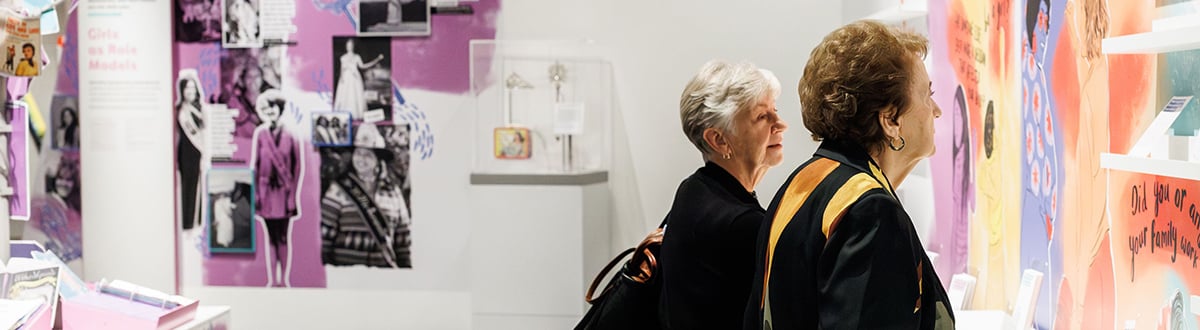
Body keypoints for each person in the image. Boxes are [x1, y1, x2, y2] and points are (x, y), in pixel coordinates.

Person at [744, 20, 953, 329]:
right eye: (926, 94)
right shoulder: (870, 210)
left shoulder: (805, 180)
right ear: (890, 119)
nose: (935, 109)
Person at [656, 60, 788, 330]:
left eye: (775, 111)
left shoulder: (693, 188)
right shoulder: (742, 225)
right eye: (763, 117)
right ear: (718, 140)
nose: (781, 124)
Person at [320, 124, 411, 268]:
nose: (361, 159)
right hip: (346, 275)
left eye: (368, 155)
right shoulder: (338, 189)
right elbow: (323, 237)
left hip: (384, 277)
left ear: (378, 160)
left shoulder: (393, 192)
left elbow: (403, 239)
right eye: (358, 153)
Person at [249, 89, 301, 287]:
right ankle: (273, 281)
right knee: (270, 237)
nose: (269, 111)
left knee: (283, 237)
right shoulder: (260, 133)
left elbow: (297, 167)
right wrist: (255, 193)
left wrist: (293, 195)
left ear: (279, 108)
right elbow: (254, 166)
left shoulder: (291, 133)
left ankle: (284, 280)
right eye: (264, 109)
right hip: (266, 193)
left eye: (271, 107)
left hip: (284, 191)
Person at [176, 74, 206, 230]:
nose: (190, 90)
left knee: (198, 189)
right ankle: (186, 222)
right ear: (182, 90)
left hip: (197, 154)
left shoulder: (201, 109)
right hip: (184, 155)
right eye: (187, 87)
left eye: (193, 87)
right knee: (185, 189)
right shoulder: (178, 110)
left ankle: (197, 222)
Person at [333, 38, 385, 118]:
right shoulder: (343, 58)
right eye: (348, 45)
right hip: (346, 79)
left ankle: (355, 114)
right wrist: (342, 79)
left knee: (354, 96)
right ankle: (345, 114)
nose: (349, 47)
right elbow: (341, 70)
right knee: (345, 96)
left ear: (353, 46)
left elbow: (363, 66)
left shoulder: (357, 57)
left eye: (351, 45)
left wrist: (376, 60)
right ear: (346, 47)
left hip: (355, 79)